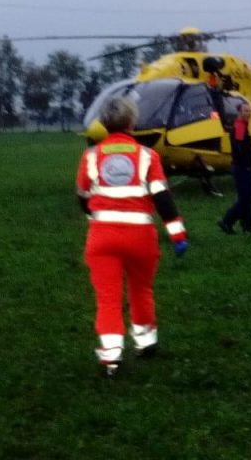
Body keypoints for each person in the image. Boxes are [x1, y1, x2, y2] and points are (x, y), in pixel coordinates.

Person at [75, 97, 189, 377]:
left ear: (103, 123)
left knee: (108, 298)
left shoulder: (91, 156)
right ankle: (146, 342)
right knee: (141, 289)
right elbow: (163, 199)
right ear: (131, 122)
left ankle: (111, 358)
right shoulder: (148, 157)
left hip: (102, 238)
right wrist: (177, 234)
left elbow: (82, 196)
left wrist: (95, 216)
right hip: (140, 237)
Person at [218, 101, 251, 234]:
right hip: (243, 167)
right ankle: (227, 220)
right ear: (239, 112)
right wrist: (247, 164)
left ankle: (247, 227)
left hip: (242, 166)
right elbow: (240, 148)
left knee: (246, 197)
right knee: (247, 198)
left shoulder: (242, 125)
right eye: (246, 111)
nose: (249, 113)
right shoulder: (240, 127)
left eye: (249, 110)